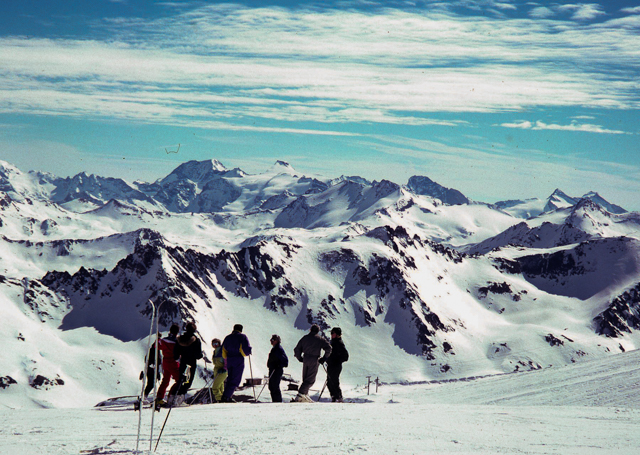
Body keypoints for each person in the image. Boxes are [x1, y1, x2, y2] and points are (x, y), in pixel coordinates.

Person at [293, 324, 331, 403]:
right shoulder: (320, 339)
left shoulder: (305, 338)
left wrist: (300, 358)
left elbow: (297, 349)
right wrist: (324, 358)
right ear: (318, 331)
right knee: (310, 379)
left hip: (305, 358)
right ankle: (301, 394)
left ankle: (304, 396)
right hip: (314, 359)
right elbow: (329, 348)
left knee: (305, 378)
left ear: (310, 330)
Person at [221, 324, 252, 402]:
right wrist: (249, 351)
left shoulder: (227, 337)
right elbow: (244, 351)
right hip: (238, 359)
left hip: (229, 359)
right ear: (241, 330)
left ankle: (227, 395)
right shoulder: (242, 337)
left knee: (230, 377)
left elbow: (223, 351)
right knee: (235, 379)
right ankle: (226, 397)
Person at [173, 322, 203, 402]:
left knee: (181, 380)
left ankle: (172, 398)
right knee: (188, 381)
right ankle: (179, 399)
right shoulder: (196, 340)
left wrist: (176, 357)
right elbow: (198, 354)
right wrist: (200, 356)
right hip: (191, 362)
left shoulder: (180, 339)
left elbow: (176, 352)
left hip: (183, 361)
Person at [156, 323, 180, 405]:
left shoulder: (163, 340)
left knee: (165, 380)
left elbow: (157, 346)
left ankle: (159, 398)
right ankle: (171, 397)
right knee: (179, 381)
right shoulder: (177, 342)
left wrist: (158, 338)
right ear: (177, 332)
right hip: (173, 363)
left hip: (165, 362)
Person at [325, 327, 349, 402]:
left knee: (334, 381)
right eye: (331, 333)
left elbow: (346, 356)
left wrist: (337, 361)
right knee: (329, 382)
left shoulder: (339, 343)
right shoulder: (333, 342)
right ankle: (334, 397)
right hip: (331, 365)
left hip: (335, 365)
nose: (331, 335)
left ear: (338, 334)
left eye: (333, 333)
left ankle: (339, 397)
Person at [267, 334, 288, 402]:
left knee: (274, 386)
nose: (271, 341)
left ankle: (277, 401)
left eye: (273, 340)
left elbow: (285, 361)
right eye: (271, 340)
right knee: (271, 386)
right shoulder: (275, 349)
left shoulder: (278, 349)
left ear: (277, 341)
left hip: (276, 370)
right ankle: (275, 401)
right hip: (272, 369)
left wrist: (278, 365)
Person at [210, 338, 227, 402]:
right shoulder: (215, 352)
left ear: (219, 344)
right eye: (213, 344)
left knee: (215, 387)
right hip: (217, 369)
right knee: (220, 386)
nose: (215, 345)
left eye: (216, 343)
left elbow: (226, 360)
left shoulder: (222, 350)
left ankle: (219, 399)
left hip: (222, 370)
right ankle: (223, 398)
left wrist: (225, 368)